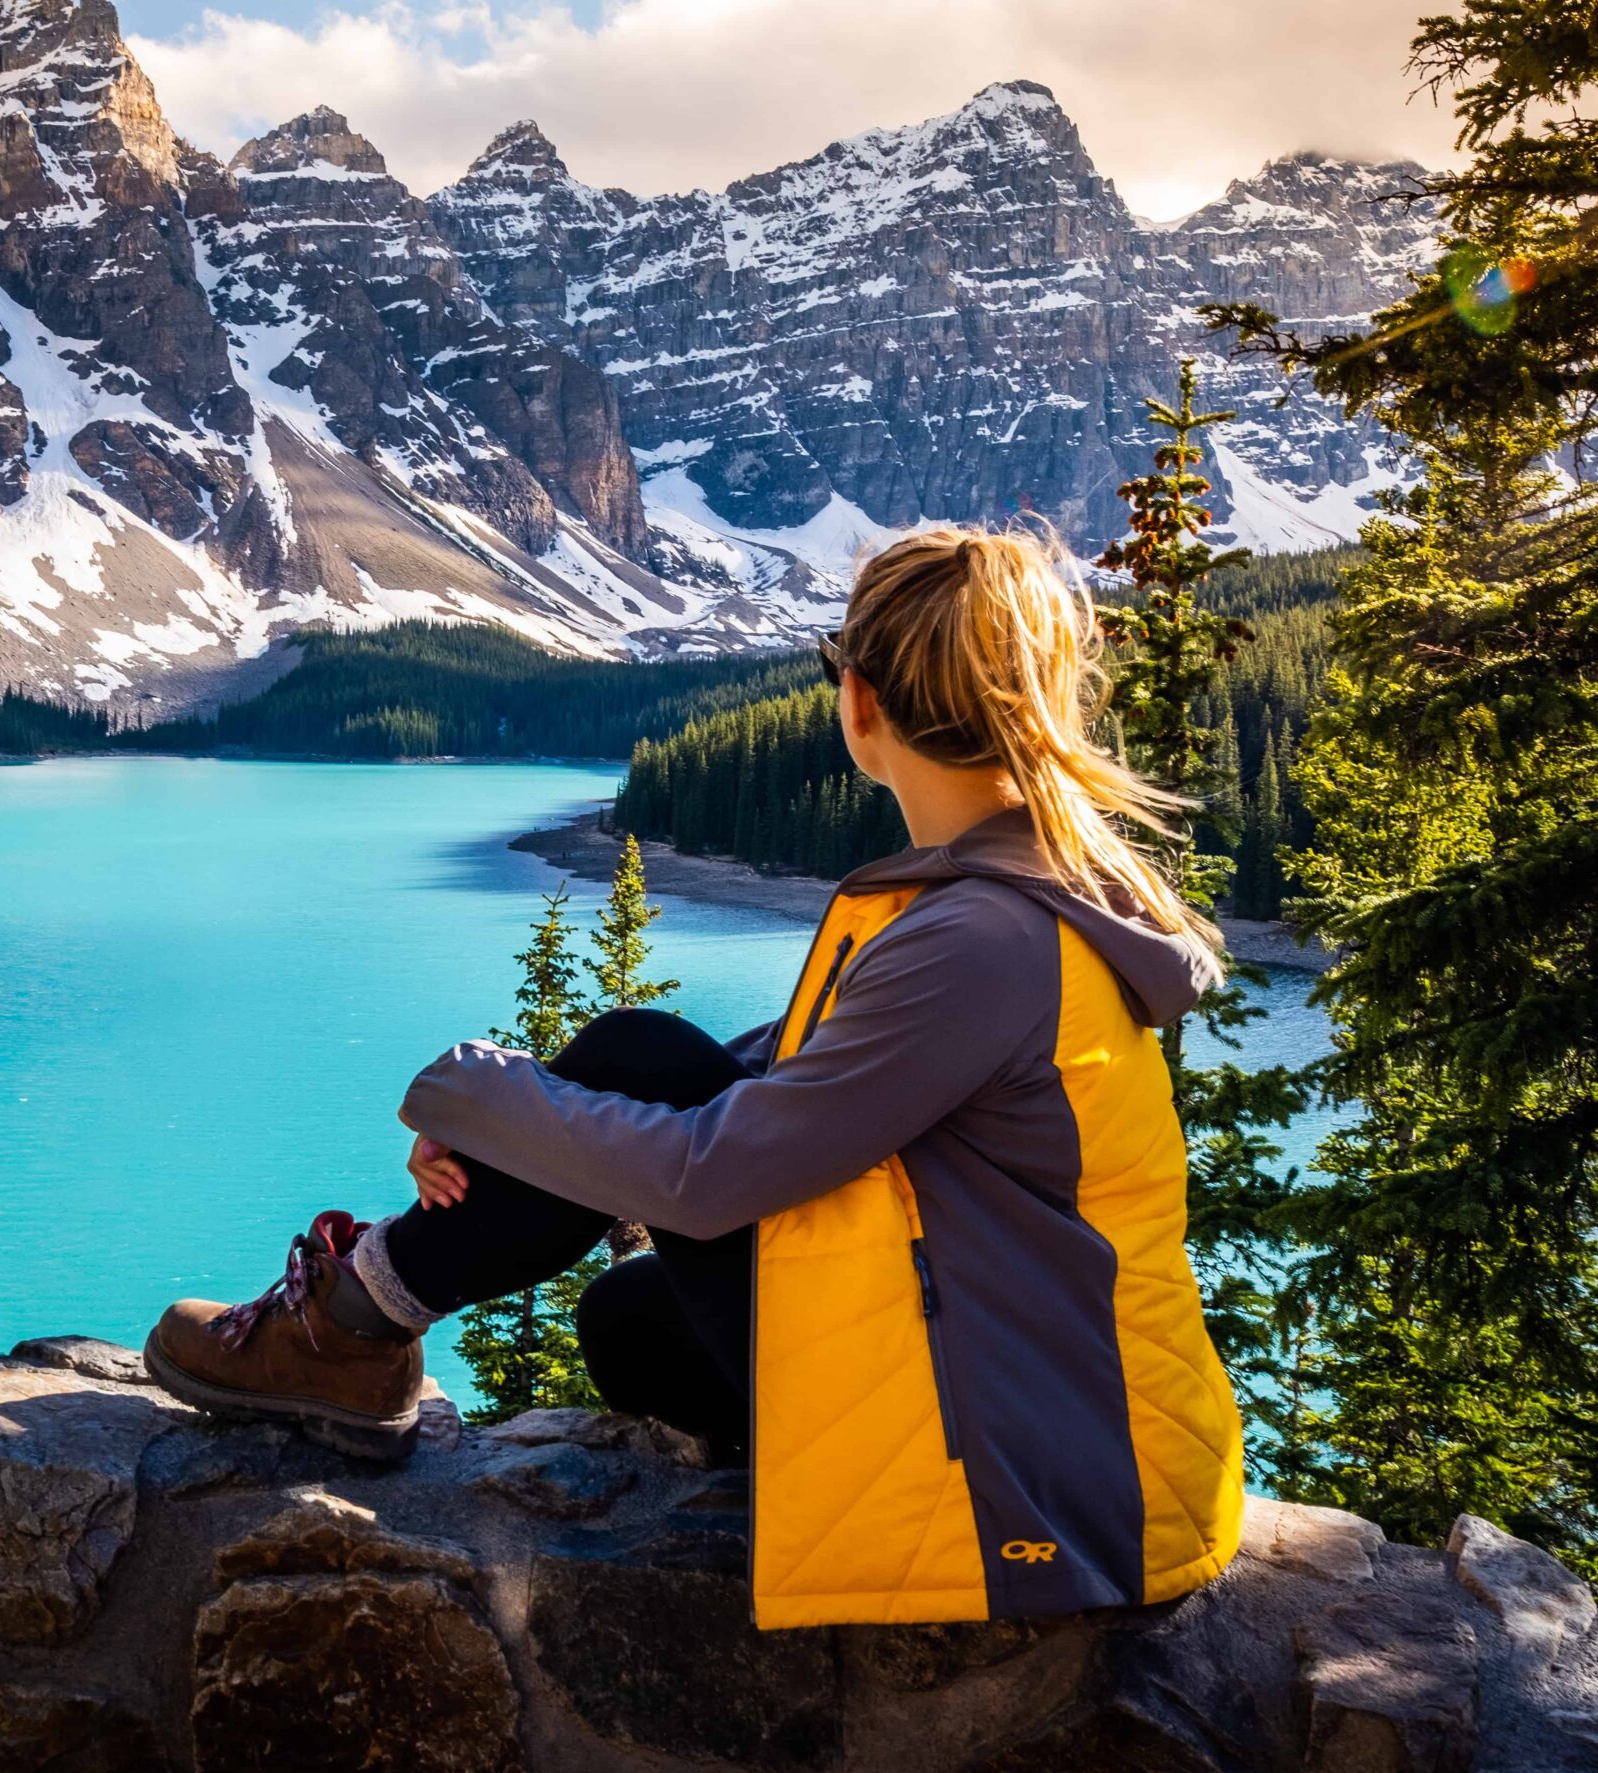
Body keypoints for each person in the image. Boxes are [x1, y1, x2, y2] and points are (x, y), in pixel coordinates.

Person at [145, 525, 1245, 1628]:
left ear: (857, 700)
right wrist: (518, 1125)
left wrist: (473, 1090)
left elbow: (708, 1171)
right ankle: (358, 1327)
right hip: (1043, 1395)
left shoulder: (978, 938)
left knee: (636, 1051)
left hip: (1049, 1480)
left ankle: (347, 1328)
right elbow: (793, 1080)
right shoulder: (1026, 891)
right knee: (629, 1322)